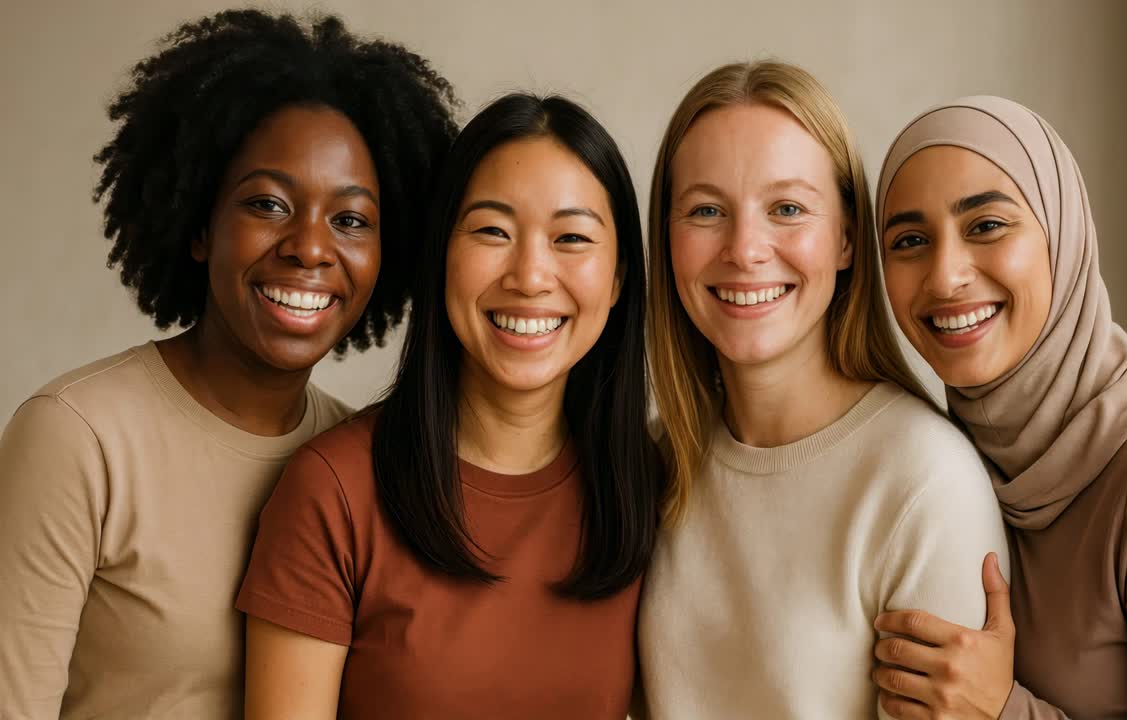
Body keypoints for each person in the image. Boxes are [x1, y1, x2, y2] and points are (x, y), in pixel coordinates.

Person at [0, 10, 456, 718]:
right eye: (267, 204)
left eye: (351, 219)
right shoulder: (78, 439)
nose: (309, 247)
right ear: (198, 228)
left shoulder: (361, 459)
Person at [235, 93, 664, 719]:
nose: (530, 275)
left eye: (571, 237)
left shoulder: (645, 489)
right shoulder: (335, 490)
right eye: (493, 231)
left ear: (619, 277)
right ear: (441, 256)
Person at [872, 95, 1127, 719]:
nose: (945, 274)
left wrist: (1003, 711)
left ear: (1063, 236)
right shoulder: (934, 457)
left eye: (986, 226)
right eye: (909, 240)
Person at [637, 61, 1008, 719]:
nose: (745, 249)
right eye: (706, 210)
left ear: (844, 237)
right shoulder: (653, 462)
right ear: (666, 240)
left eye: (786, 208)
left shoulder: (921, 479)